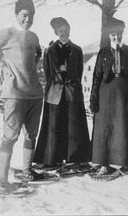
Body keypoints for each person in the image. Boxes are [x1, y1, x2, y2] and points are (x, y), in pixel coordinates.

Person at [0, 0, 44, 193]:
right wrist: (1, 63)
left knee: (31, 136)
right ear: (16, 14)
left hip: (35, 94)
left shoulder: (34, 36)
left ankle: (27, 171)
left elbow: (37, 52)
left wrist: (29, 68)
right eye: (23, 15)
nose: (27, 19)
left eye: (30, 15)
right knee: (9, 137)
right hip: (14, 94)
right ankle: (2, 181)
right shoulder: (7, 33)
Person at [33, 17, 91, 171]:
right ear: (56, 32)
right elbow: (48, 73)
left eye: (66, 30)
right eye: (61, 31)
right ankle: (52, 159)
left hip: (72, 92)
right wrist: (57, 86)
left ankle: (76, 159)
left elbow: (79, 72)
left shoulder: (77, 50)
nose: (64, 33)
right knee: (53, 126)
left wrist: (71, 84)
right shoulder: (49, 51)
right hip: (55, 92)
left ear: (70, 31)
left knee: (74, 126)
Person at [89, 18, 128, 175]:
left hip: (126, 93)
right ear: (108, 35)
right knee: (105, 128)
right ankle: (104, 164)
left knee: (127, 127)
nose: (116, 37)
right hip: (106, 94)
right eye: (113, 35)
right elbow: (97, 76)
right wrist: (93, 99)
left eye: (119, 34)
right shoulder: (103, 52)